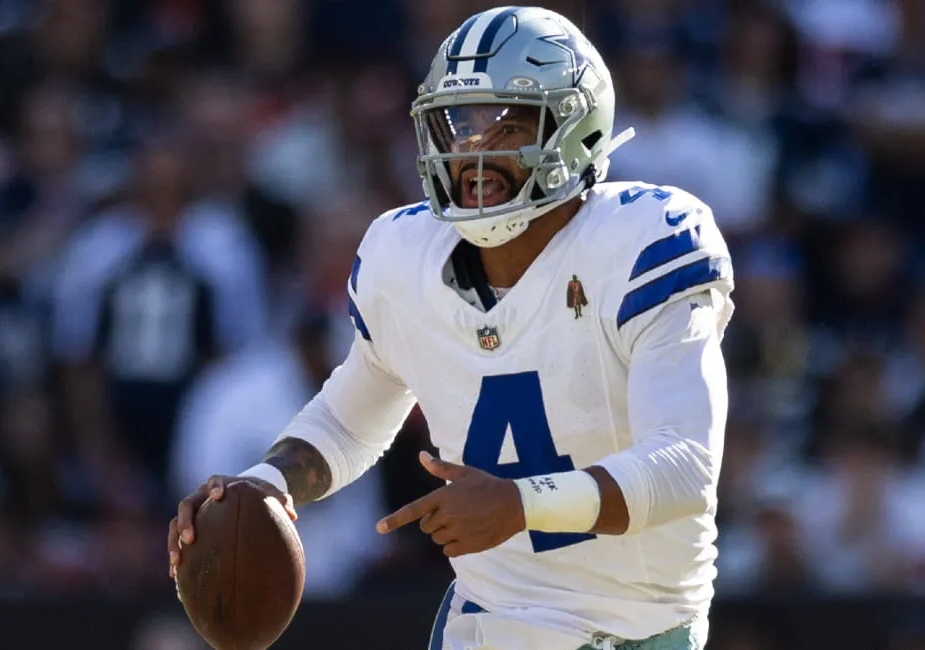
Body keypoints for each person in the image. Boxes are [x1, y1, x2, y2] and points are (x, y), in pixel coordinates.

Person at [166, 6, 735, 650]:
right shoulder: (403, 253)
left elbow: (684, 468)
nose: (474, 149)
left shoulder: (644, 242)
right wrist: (265, 483)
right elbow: (351, 420)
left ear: (574, 129)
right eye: (458, 123)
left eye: (506, 124)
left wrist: (524, 503)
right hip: (488, 618)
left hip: (633, 626)